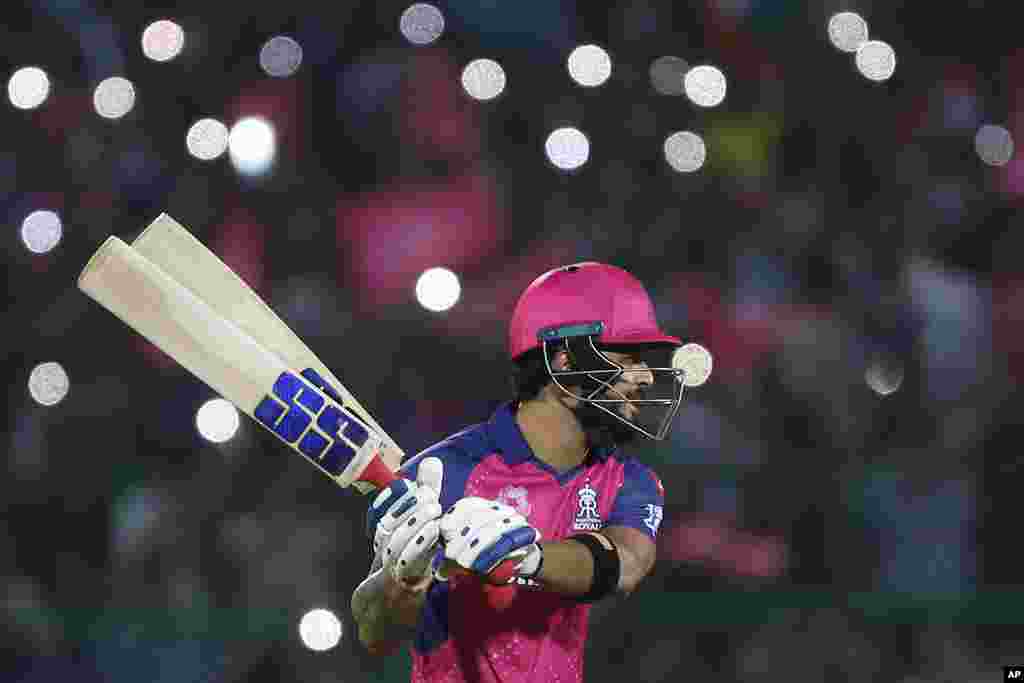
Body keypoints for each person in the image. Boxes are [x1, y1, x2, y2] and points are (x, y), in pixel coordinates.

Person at [352, 262, 686, 682]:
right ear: (564, 362)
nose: (644, 376)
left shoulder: (627, 478)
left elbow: (627, 564)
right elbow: (374, 634)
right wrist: (403, 580)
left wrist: (528, 555)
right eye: (628, 357)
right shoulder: (442, 471)